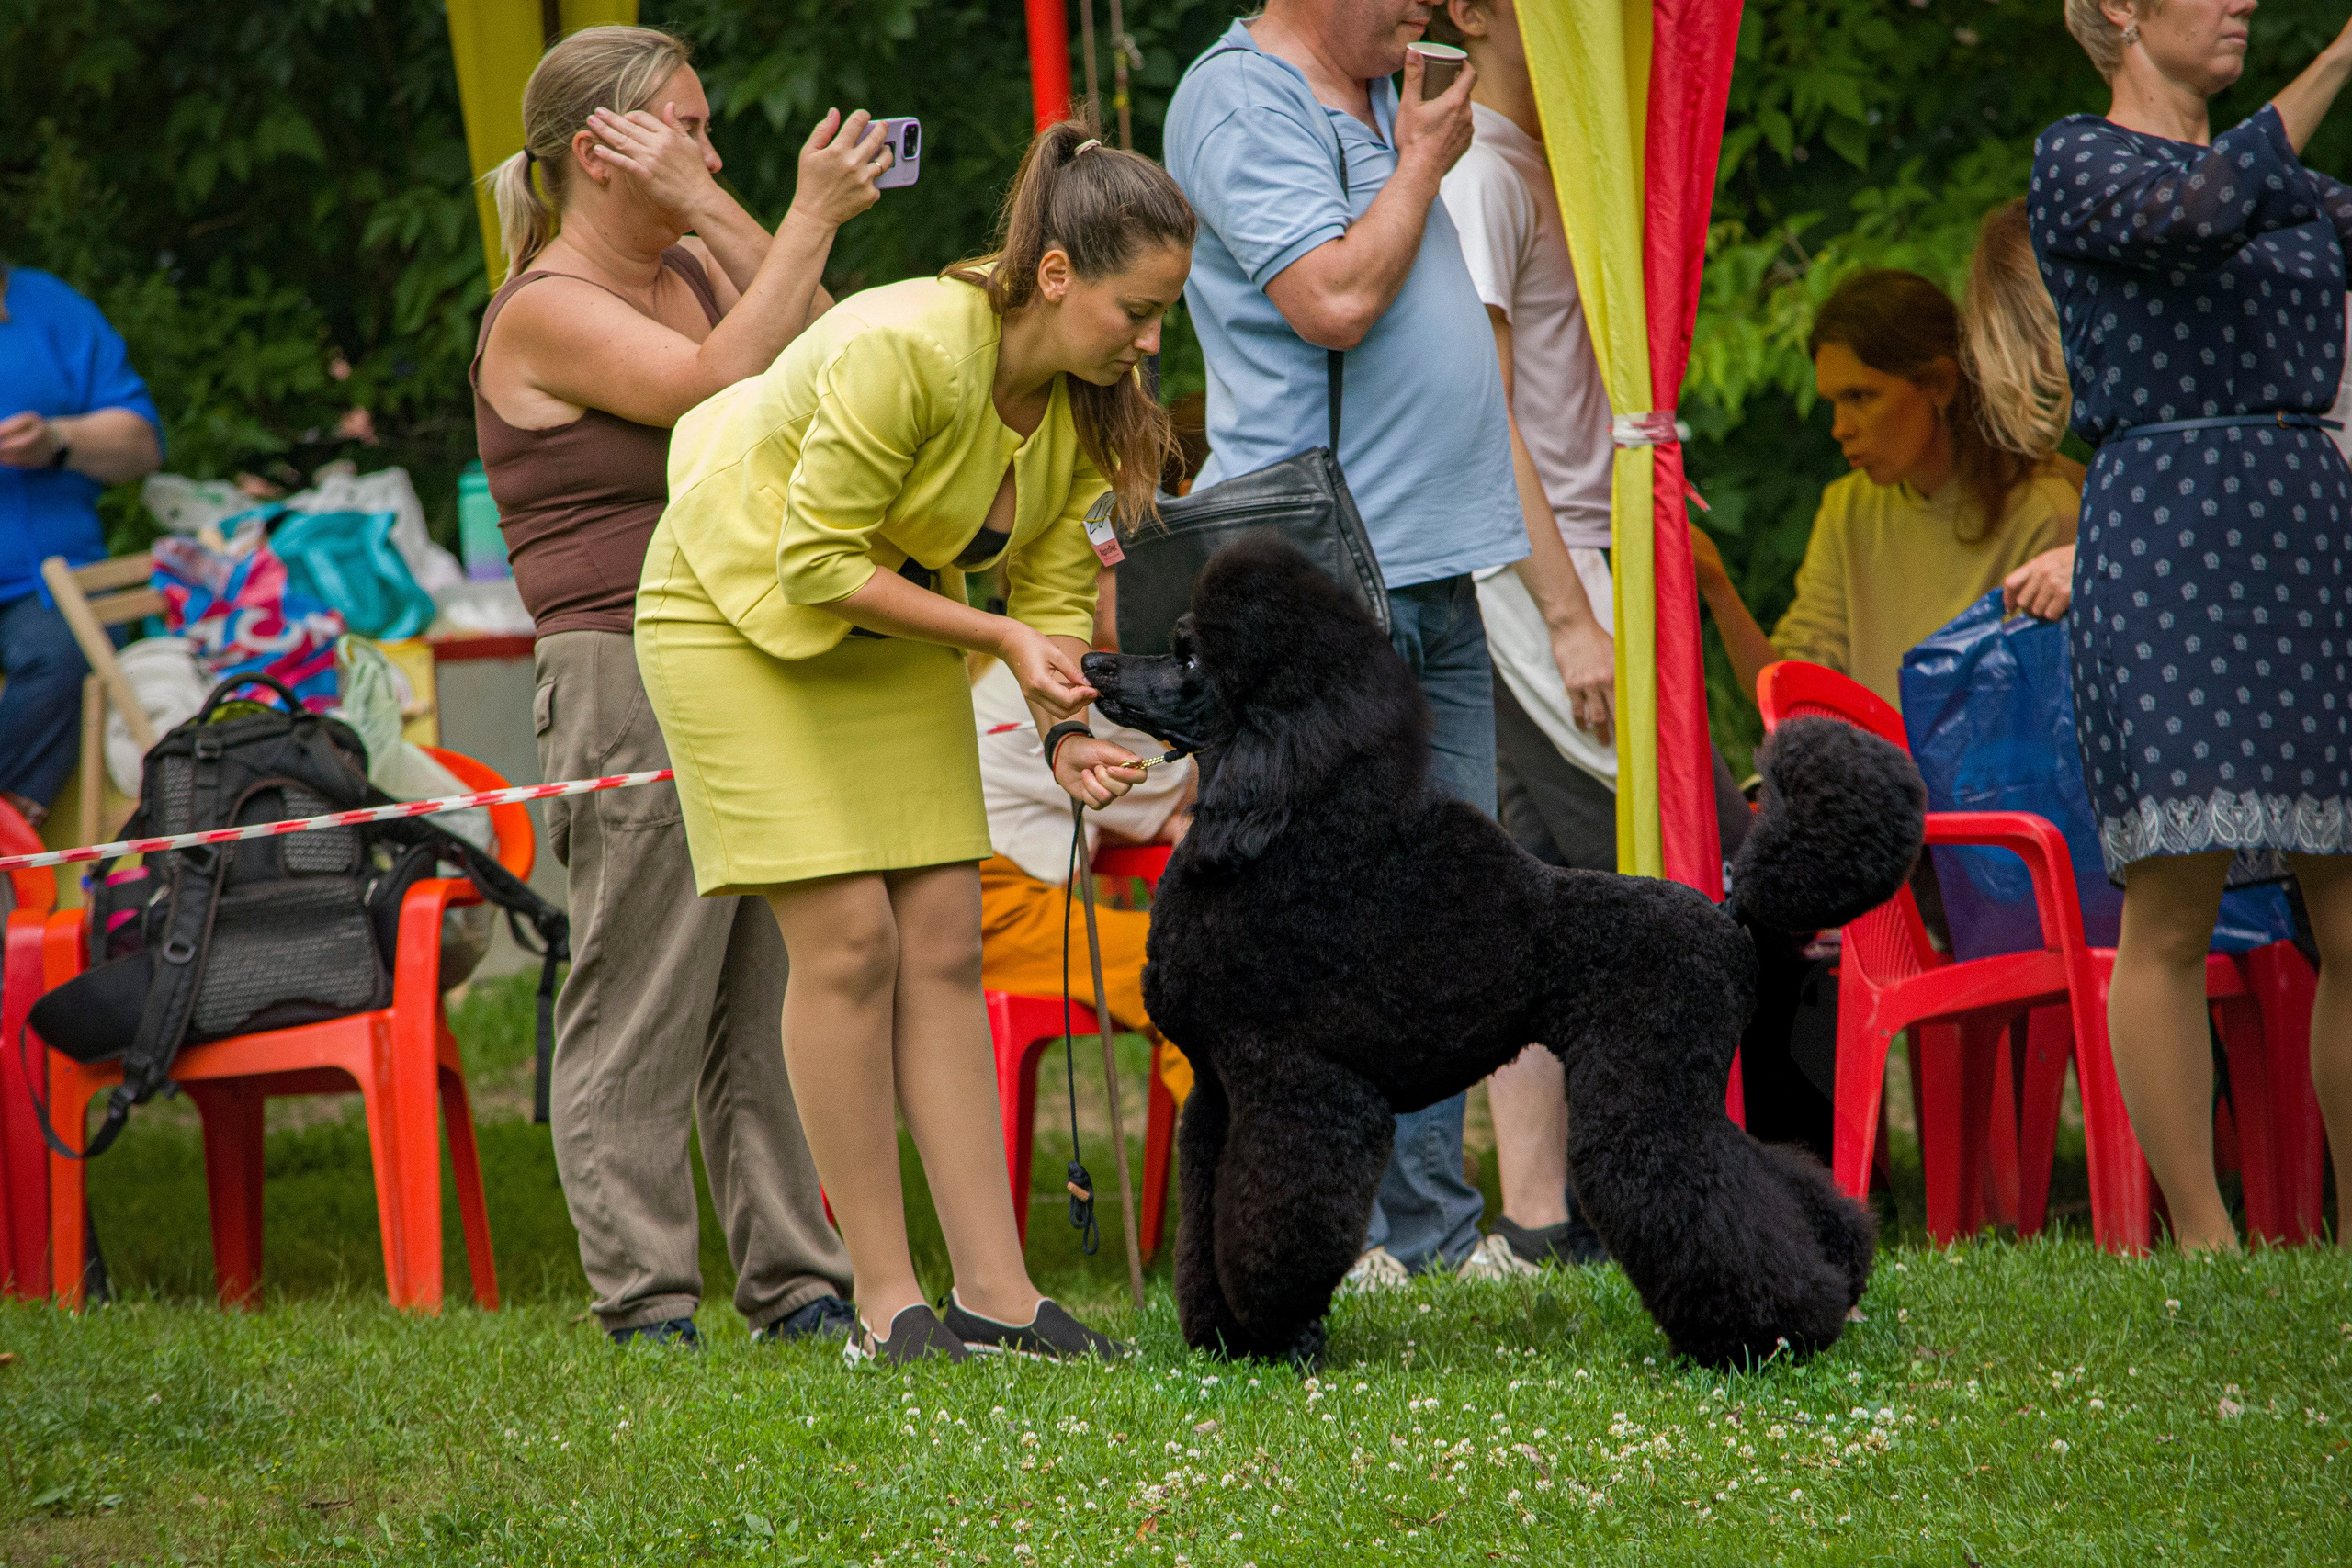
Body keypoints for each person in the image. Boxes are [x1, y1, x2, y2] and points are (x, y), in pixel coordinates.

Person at [638, 123, 1193, 1360]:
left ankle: (995, 1292)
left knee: (941, 934)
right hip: (736, 609)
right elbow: (815, 561)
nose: (1153, 339)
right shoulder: (908, 344)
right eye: (1138, 308)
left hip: (885, 608)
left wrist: (1061, 737)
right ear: (1055, 273)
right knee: (848, 940)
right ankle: (886, 1301)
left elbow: (1046, 597)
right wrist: (993, 643)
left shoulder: (1073, 412)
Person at [472, 23, 888, 1346]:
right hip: (619, 664)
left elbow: (833, 357)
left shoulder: (705, 262)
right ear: (602, 153)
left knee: (765, 990)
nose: (713, 152)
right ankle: (646, 1300)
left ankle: (796, 1281)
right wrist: (794, 210)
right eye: (690, 129)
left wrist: (730, 212)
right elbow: (718, 384)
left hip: (744, 651)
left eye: (709, 131)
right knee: (643, 986)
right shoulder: (544, 305)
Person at [1164, 0, 1530, 1289]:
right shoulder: (1239, 99)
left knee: (1443, 909)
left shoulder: (1384, 91)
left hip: (1435, 566)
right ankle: (1336, 1227)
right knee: (1311, 927)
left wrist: (1413, 135)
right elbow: (1329, 299)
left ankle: (1428, 1224)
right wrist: (1426, 162)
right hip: (1322, 587)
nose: (1427, 12)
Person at [2034, 0, 2352, 1251]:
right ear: (2120, 9)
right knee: (2171, 907)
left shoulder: (2289, 179)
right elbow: (2200, 209)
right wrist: (2340, 55)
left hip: (2305, 527)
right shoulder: (2081, 158)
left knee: (2350, 902)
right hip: (2169, 538)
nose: (2244, 5)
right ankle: (2210, 1242)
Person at [1690, 266, 2082, 716]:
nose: (1840, 428)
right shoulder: (1848, 506)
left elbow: (2035, 725)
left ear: (1939, 383)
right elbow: (1795, 696)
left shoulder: (2045, 510)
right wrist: (1716, 586)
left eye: (1860, 396)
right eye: (1832, 404)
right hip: (1871, 781)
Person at [972, 656, 1194, 1103]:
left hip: (993, 898)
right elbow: (1195, 783)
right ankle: (1238, 1161)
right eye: (1126, 581)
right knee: (1193, 968)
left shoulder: (1015, 663)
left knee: (1202, 960)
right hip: (980, 908)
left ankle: (1237, 1155)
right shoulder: (1058, 678)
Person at [0, 262, 164, 830]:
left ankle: (10, 834)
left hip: (48, 584)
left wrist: (60, 438)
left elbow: (141, 444)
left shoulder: (50, 306)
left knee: (74, 645)